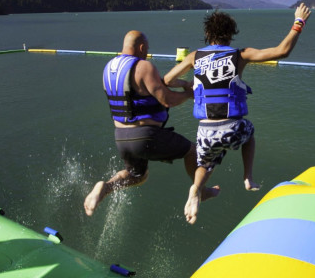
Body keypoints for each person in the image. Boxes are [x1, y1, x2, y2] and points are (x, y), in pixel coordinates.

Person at [165, 3, 312, 224]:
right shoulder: (240, 54)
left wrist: (189, 86)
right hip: (232, 127)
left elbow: (166, 81)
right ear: (231, 34)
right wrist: (299, 22)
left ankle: (196, 189)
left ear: (208, 34)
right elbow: (282, 51)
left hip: (205, 131)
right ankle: (247, 178)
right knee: (250, 132)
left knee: (205, 164)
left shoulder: (195, 56)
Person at [84, 30, 219, 217]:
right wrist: (192, 94)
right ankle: (200, 191)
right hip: (146, 135)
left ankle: (104, 188)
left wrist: (182, 83)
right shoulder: (143, 66)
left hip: (121, 137)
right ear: (141, 47)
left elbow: (142, 90)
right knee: (192, 151)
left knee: (137, 176)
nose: (147, 54)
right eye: (146, 50)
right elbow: (167, 100)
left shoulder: (109, 68)